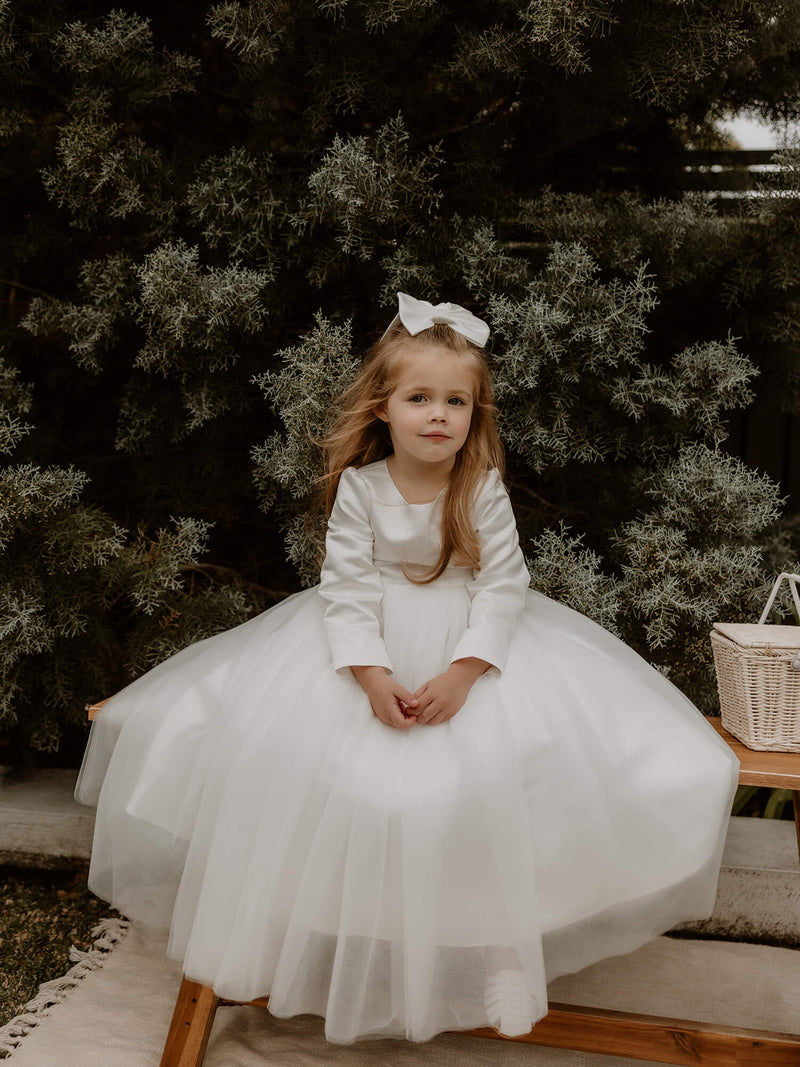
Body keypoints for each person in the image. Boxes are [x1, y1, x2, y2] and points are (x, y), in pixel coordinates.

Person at [76, 293, 739, 1045]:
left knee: (494, 787)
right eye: (419, 397)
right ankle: (302, 943)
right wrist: (368, 674)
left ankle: (499, 954)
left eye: (456, 401)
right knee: (317, 777)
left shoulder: (478, 486)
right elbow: (348, 588)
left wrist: (465, 670)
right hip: (372, 643)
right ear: (383, 408)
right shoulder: (360, 489)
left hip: (470, 645)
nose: (438, 415)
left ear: (475, 413)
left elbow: (504, 583)